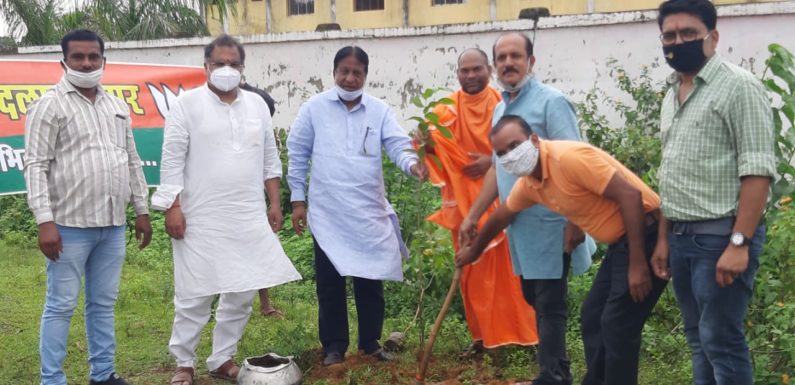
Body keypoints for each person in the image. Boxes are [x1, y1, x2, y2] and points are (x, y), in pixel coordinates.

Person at [457, 115, 669, 385]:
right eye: (501, 153)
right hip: (621, 244)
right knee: (593, 315)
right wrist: (474, 251)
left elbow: (631, 197)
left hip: (646, 235)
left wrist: (638, 264)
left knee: (618, 324)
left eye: (514, 146)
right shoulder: (531, 183)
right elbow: (503, 215)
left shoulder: (567, 159)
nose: (509, 156)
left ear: (534, 139)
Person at [151, 34, 301, 385]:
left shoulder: (256, 106)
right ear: (205, 66)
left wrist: (275, 203)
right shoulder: (185, 104)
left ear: (242, 68)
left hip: (247, 214)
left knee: (242, 289)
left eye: (233, 63)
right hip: (199, 216)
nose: (226, 69)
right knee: (194, 293)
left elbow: (269, 159)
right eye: (219, 63)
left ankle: (221, 358)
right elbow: (171, 160)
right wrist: (172, 207)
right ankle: (184, 363)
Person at [460, 32, 594, 385]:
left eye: (515, 56)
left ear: (530, 62)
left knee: (550, 303)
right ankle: (559, 370)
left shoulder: (552, 103)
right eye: (501, 58)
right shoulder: (501, 109)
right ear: (495, 67)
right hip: (521, 228)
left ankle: (551, 376)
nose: (508, 63)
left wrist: (575, 221)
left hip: (553, 223)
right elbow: (496, 168)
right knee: (534, 296)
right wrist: (473, 215)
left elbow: (577, 163)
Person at [653, 1, 776, 384]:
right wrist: (663, 240)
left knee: (721, 340)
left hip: (720, 237)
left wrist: (739, 242)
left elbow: (757, 171)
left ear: (713, 37)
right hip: (681, 239)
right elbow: (671, 173)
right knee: (697, 339)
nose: (678, 42)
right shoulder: (673, 92)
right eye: (670, 36)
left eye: (688, 33)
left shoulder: (739, 87)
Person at [23, 29, 152, 385]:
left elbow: (131, 160)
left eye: (93, 57)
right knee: (61, 306)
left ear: (103, 61)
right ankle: (52, 380)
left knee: (102, 305)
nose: (86, 63)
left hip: (112, 225)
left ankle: (103, 374)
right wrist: (44, 221)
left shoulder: (115, 105)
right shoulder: (49, 104)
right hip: (67, 226)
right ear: (63, 61)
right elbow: (36, 165)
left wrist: (141, 209)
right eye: (78, 57)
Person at [287, 45, 428, 366]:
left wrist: (413, 165)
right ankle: (334, 346)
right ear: (334, 72)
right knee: (330, 284)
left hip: (368, 211)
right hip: (328, 213)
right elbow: (297, 153)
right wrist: (298, 201)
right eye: (344, 72)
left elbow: (397, 144)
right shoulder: (314, 109)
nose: (350, 78)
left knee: (370, 278)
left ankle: (369, 343)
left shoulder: (378, 110)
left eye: (357, 73)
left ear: (365, 75)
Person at [421, 48, 538, 354]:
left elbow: (522, 146)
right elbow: (432, 149)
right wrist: (425, 145)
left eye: (477, 69)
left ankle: (521, 335)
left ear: (489, 69)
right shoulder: (446, 110)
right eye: (464, 70)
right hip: (462, 205)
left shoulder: (502, 106)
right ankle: (481, 338)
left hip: (501, 200)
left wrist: (492, 161)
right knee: (471, 276)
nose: (470, 76)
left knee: (509, 273)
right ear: (457, 72)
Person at [240, 79, 283, 318]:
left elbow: (270, 169)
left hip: (253, 203)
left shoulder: (262, 136)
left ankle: (265, 304)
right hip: (221, 206)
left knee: (258, 251)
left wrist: (273, 204)